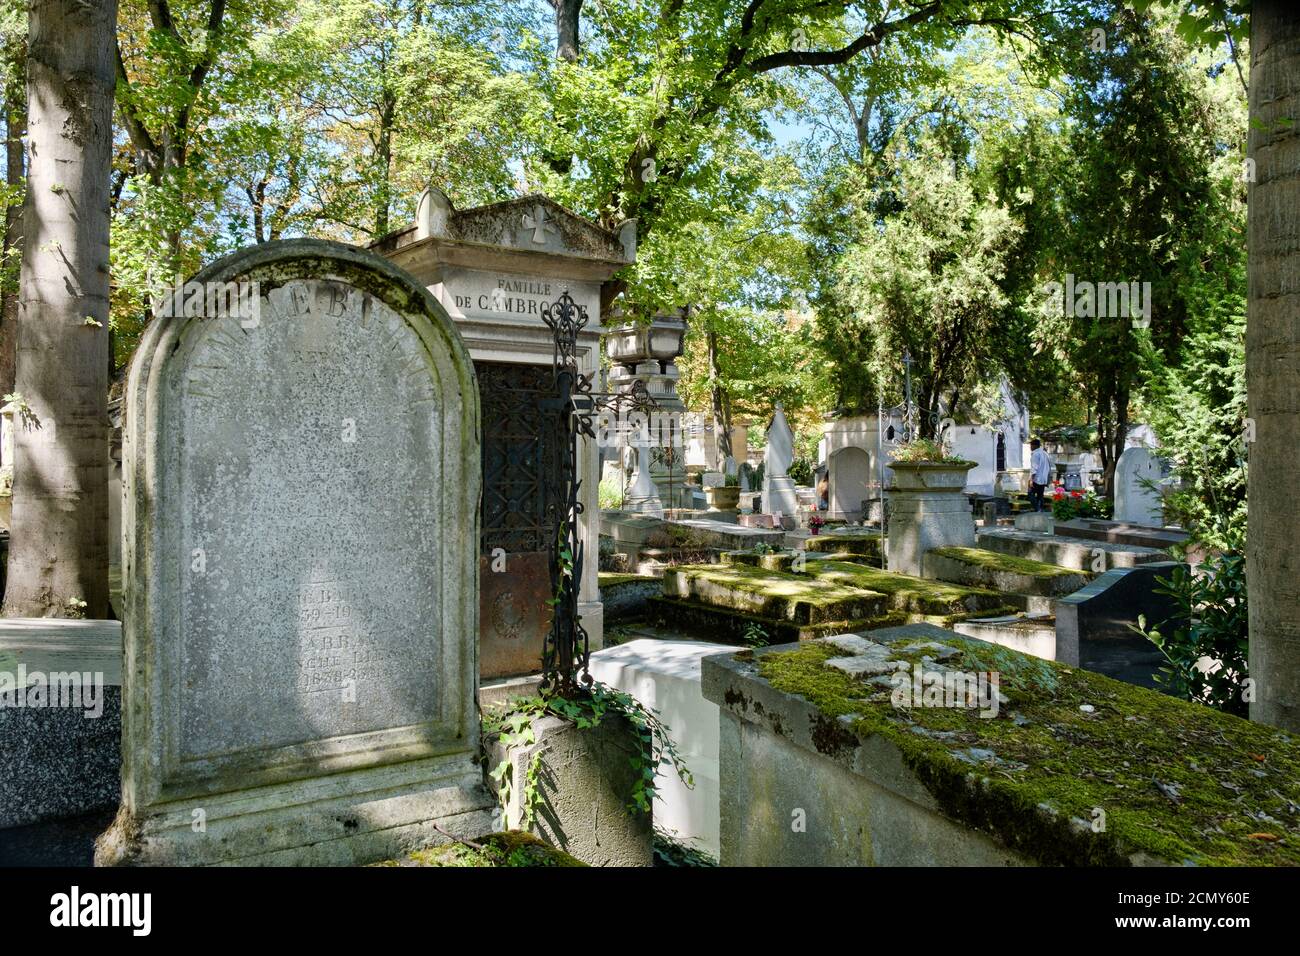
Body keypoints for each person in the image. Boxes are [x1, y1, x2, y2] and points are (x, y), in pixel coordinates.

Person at [1028, 438, 1052, 512]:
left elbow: (1034, 468)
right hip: (1043, 478)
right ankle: (1040, 509)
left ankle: (1037, 508)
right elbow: (1049, 467)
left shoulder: (1035, 454)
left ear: (1034, 446)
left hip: (1036, 478)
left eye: (1031, 446)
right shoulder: (1045, 453)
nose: (1030, 447)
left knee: (1030, 494)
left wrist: (1031, 480)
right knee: (1040, 495)